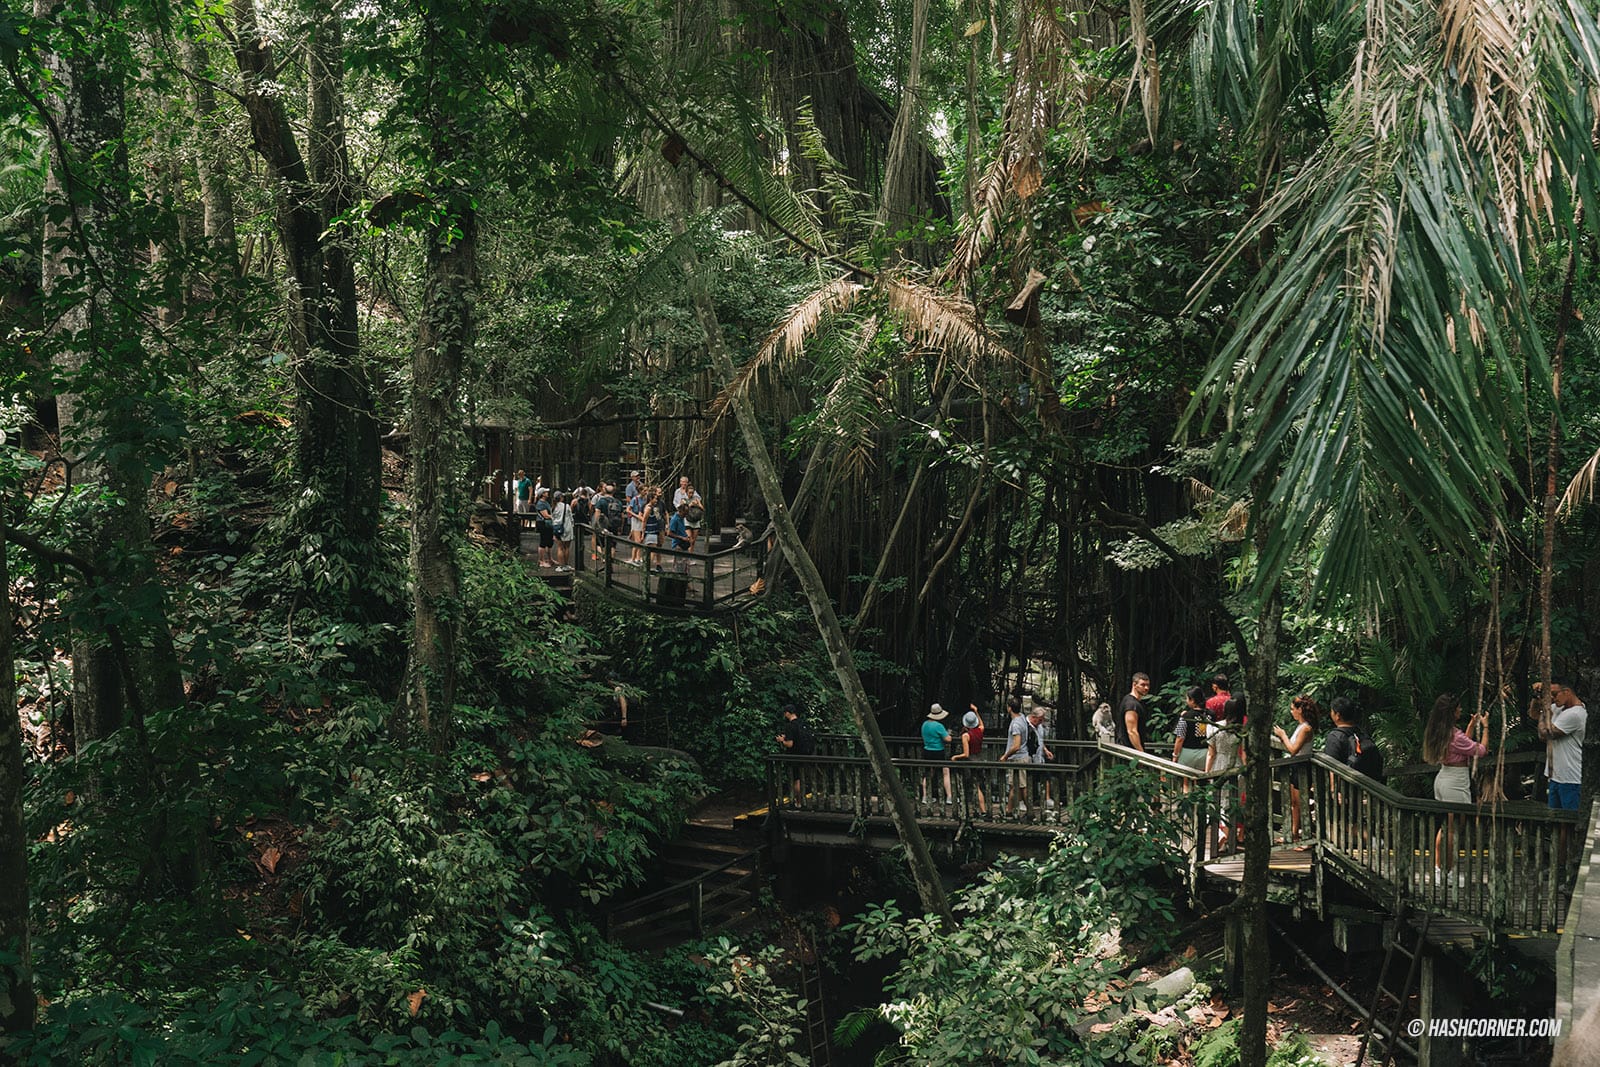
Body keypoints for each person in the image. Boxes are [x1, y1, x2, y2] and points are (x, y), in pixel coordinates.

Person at [1422, 692, 1487, 885]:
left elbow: (1462, 747)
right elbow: (1480, 751)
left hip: (1444, 778)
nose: (1460, 710)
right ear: (1452, 712)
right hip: (1455, 783)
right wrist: (1485, 728)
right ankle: (1447, 872)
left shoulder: (1441, 731)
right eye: (1458, 708)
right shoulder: (1454, 735)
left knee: (1446, 827)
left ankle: (1439, 869)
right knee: (1453, 829)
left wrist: (1470, 726)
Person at [1530, 680, 1587, 810]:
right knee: (1555, 821)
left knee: (1569, 822)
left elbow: (1544, 735)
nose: (1552, 698)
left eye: (1554, 694)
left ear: (1566, 692)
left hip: (1571, 778)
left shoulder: (1576, 714)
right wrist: (1536, 696)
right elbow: (1534, 714)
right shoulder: (1558, 707)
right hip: (1556, 776)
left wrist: (1544, 712)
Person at [1274, 694, 1320, 841]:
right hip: (1295, 766)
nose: (1291, 711)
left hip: (1302, 767)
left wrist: (1283, 735)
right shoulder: (1300, 726)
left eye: (1293, 709)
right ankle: (1293, 834)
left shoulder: (1306, 729)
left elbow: (1293, 749)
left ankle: (1305, 837)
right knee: (1294, 803)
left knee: (1301, 803)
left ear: (1300, 710)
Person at [1206, 693, 1246, 853]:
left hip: (1219, 765)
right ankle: (1228, 837)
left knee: (1220, 803)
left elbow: (1211, 753)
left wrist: (1206, 773)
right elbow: (1244, 754)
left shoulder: (1216, 727)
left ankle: (1225, 836)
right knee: (1233, 803)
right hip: (1236, 765)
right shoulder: (1241, 730)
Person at [1324, 696, 1384, 782]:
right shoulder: (1361, 734)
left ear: (1337, 715)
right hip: (1367, 787)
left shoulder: (1335, 736)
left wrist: (1334, 791)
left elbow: (1331, 766)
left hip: (1347, 789)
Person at [952, 705, 987, 815]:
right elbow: (981, 724)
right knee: (978, 785)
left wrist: (955, 757)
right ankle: (980, 809)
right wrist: (976, 711)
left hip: (971, 761)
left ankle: (982, 810)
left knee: (974, 787)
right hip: (980, 759)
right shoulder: (980, 731)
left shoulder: (966, 736)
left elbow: (966, 754)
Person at [1172, 686, 1211, 785]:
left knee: (1185, 783)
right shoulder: (1211, 715)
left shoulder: (1186, 716)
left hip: (1188, 753)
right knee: (1202, 782)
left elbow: (1180, 738)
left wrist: (1175, 756)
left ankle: (1186, 795)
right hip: (1206, 753)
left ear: (1192, 700)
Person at [777, 704, 816, 800]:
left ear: (787, 713)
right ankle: (804, 799)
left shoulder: (790, 726)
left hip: (794, 755)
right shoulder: (803, 724)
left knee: (796, 780)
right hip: (805, 754)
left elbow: (790, 744)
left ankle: (798, 802)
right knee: (803, 778)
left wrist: (782, 741)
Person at [1002, 697, 1031, 815]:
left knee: (1021, 787)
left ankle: (1030, 811)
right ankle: (1009, 810)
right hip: (1022, 756)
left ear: (1009, 708)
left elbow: (1016, 745)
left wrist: (1005, 756)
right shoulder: (1022, 717)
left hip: (1017, 758)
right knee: (1015, 786)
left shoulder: (1015, 725)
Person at [921, 704, 953, 805]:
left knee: (928, 774)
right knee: (945, 772)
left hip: (927, 751)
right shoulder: (939, 726)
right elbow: (948, 739)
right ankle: (949, 797)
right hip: (938, 751)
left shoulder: (924, 724)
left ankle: (925, 796)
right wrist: (949, 734)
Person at [1117, 673, 1151, 752]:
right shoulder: (1132, 705)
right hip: (1129, 751)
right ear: (1134, 685)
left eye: (1148, 685)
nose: (1146, 688)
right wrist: (1141, 753)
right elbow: (1132, 731)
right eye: (1143, 685)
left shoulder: (1130, 701)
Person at [550, 491, 574, 570]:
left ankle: (561, 566)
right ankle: (566, 565)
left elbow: (552, 518)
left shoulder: (553, 507)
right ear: (561, 498)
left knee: (560, 548)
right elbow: (571, 517)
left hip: (557, 528)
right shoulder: (566, 506)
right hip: (567, 527)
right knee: (567, 547)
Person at [625, 484, 646, 565]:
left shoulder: (645, 499)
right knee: (637, 541)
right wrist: (636, 516)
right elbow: (628, 510)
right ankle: (633, 559)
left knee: (641, 540)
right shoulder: (635, 499)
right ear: (640, 491)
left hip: (643, 519)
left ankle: (639, 558)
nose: (646, 492)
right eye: (644, 490)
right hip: (636, 519)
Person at [533, 487, 554, 567]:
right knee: (543, 541)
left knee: (549, 542)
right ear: (542, 494)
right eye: (545, 492)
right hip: (543, 523)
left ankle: (550, 559)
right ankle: (541, 560)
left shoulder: (546, 502)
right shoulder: (541, 504)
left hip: (548, 524)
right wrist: (553, 517)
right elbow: (545, 515)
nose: (547, 493)